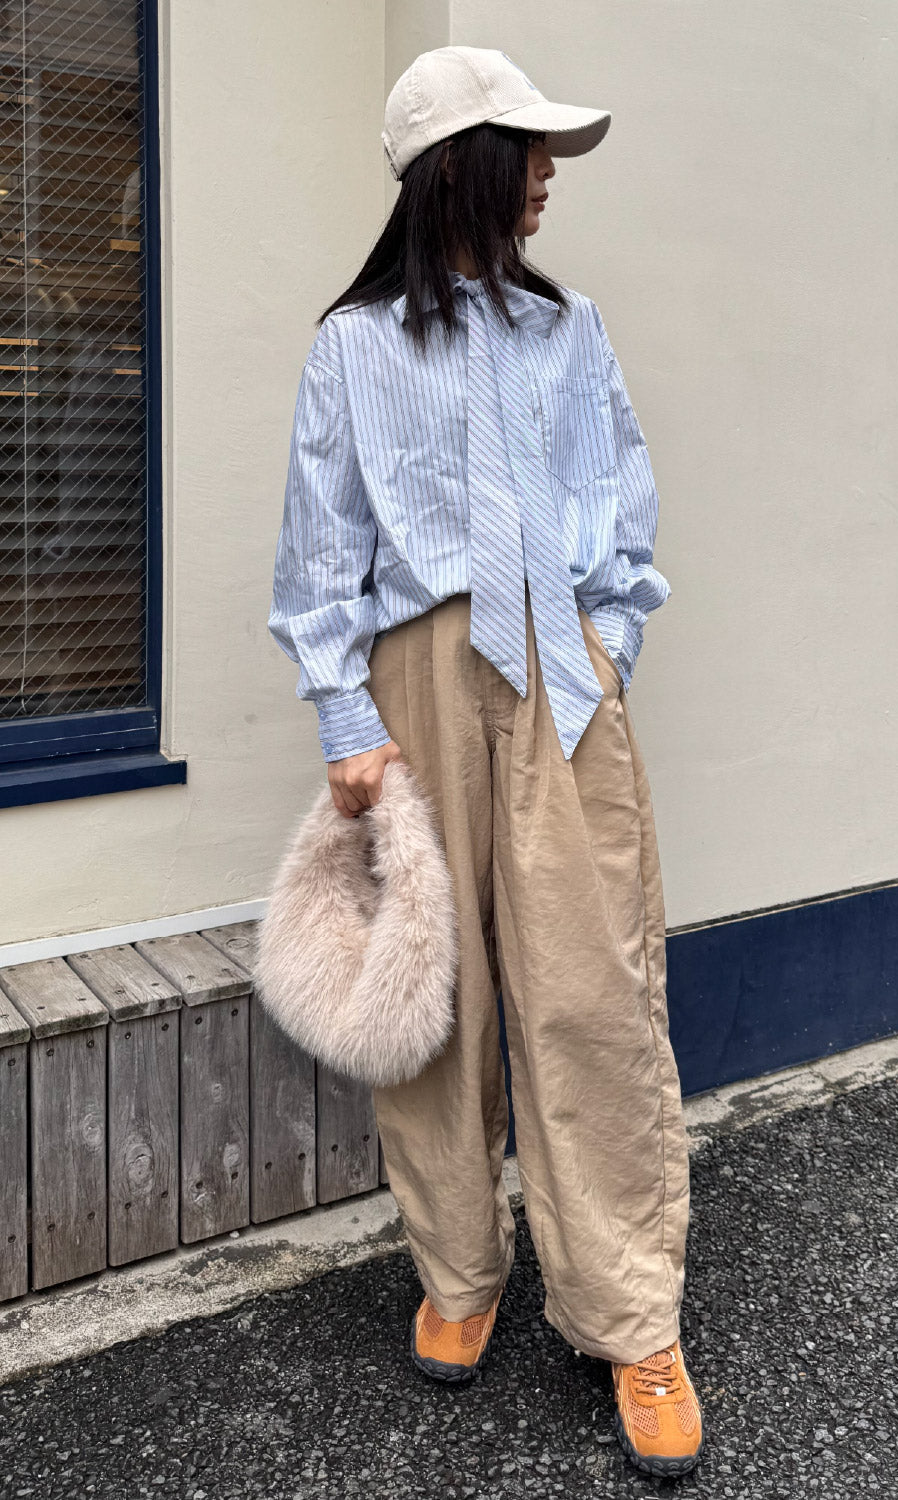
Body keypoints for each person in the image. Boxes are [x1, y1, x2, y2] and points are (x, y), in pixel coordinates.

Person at [268, 44, 703, 1479]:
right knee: (433, 995)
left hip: (562, 669)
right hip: (420, 676)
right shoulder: (352, 349)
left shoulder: (570, 331)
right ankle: (459, 1270)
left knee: (593, 990)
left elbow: (620, 495)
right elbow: (321, 547)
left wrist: (608, 645)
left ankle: (631, 1314)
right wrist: (346, 717)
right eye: (529, 149)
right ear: (462, 166)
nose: (549, 175)